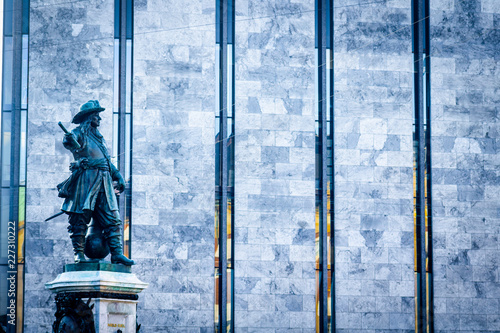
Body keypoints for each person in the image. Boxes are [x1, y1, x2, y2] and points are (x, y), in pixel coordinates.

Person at [58, 100, 134, 266]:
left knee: (112, 217)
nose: (99, 118)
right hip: (86, 179)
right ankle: (79, 254)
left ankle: (117, 254)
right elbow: (69, 142)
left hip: (104, 181)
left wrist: (117, 175)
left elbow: (105, 160)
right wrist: (68, 138)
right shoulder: (77, 132)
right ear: (88, 117)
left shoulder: (99, 138)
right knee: (79, 217)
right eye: (96, 115)